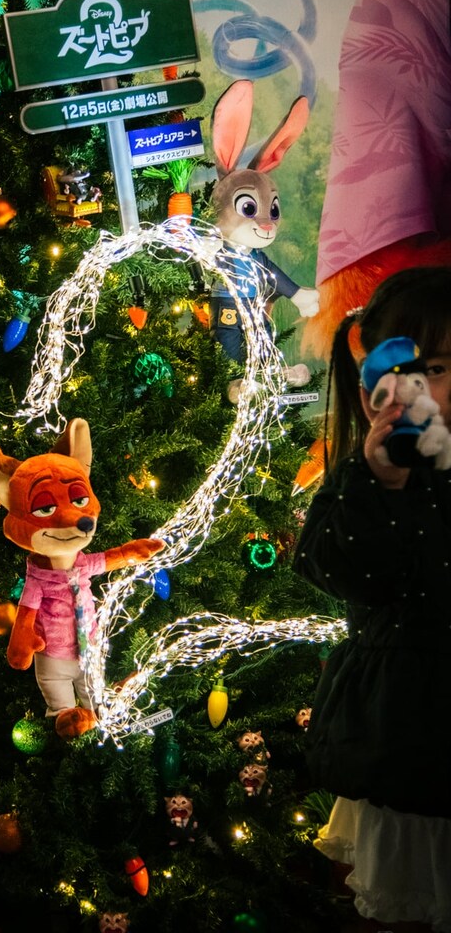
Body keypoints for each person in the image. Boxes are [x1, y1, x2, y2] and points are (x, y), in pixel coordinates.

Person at [293, 266, 451, 933]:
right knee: (408, 903)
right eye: (427, 369)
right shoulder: (370, 475)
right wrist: (381, 478)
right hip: (407, 737)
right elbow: (338, 568)